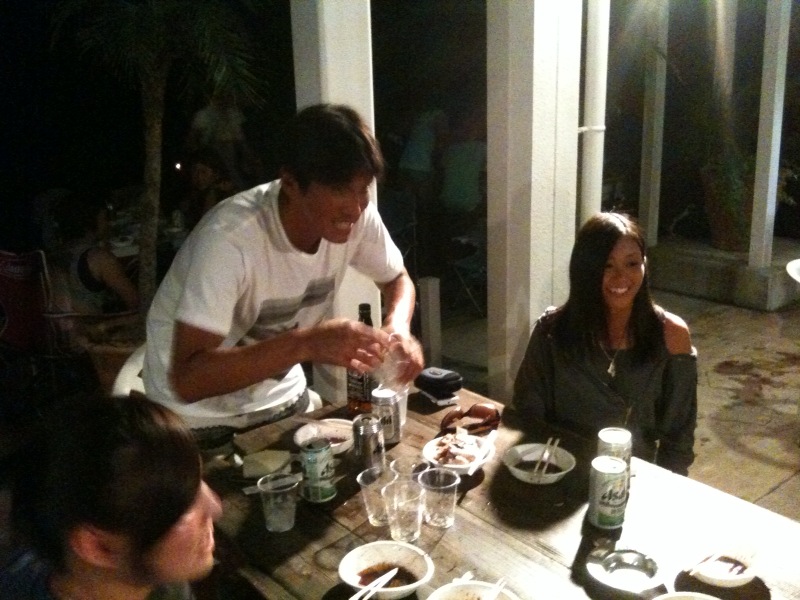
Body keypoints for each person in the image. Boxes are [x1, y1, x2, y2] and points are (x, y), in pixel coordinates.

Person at [144, 103, 424, 430]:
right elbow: (188, 380)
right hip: (197, 419)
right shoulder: (230, 239)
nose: (355, 207)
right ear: (290, 183)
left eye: (363, 188)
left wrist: (398, 327)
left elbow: (396, 278)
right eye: (339, 190)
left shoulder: (357, 217)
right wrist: (307, 343)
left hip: (282, 399)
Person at [511, 212, 697, 475]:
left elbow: (678, 439)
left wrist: (666, 490)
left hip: (632, 475)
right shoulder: (553, 330)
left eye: (632, 263)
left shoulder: (671, 334)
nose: (621, 277)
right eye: (607, 266)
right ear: (584, 269)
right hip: (557, 468)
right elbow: (529, 411)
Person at [0, 392, 222, 599]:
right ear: (98, 547)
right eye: (183, 504)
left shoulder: (154, 572)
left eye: (199, 479)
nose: (215, 506)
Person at [49, 191, 139, 314]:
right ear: (91, 221)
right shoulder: (99, 258)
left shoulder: (56, 253)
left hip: (63, 323)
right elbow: (135, 302)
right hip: (95, 323)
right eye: (104, 218)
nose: (108, 223)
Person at [178, 148, 236, 231]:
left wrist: (212, 192)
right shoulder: (193, 193)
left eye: (203, 172)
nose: (199, 176)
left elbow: (207, 223)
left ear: (215, 174)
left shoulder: (225, 194)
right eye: (194, 171)